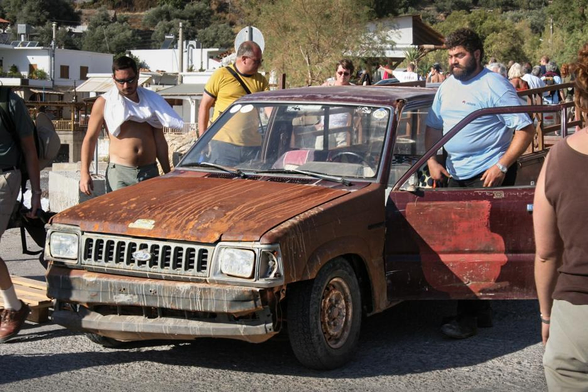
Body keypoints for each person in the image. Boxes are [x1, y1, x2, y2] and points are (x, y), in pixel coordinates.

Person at [425, 28, 535, 339]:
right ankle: (480, 311)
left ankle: (466, 319)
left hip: (487, 175)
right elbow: (433, 126)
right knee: (456, 243)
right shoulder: (445, 87)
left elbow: (525, 128)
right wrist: (433, 160)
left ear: (477, 55)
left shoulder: (495, 85)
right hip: (453, 173)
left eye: (459, 55)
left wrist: (501, 165)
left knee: (472, 246)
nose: (453, 62)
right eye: (449, 56)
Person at [534, 43, 588, 391]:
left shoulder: (557, 159)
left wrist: (546, 315)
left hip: (575, 317)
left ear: (580, 100)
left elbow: (546, 253)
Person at [80, 56, 182, 194]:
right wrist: (84, 173)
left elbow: (159, 140)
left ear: (138, 75)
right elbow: (90, 139)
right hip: (120, 175)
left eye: (130, 80)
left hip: (149, 173)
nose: (126, 86)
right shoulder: (105, 103)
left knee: (148, 215)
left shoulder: (152, 101)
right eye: (121, 82)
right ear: (113, 79)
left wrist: (168, 173)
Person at [0, 90, 41, 342]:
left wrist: (36, 192)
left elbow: (30, 150)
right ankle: (15, 307)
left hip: (4, 177)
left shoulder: (9, 101)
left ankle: (13, 308)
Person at [198, 41, 269, 166]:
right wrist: (202, 141)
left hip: (252, 146)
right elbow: (204, 106)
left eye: (260, 61)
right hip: (223, 145)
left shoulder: (261, 80)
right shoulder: (221, 75)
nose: (259, 65)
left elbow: (270, 108)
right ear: (244, 59)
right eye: (256, 61)